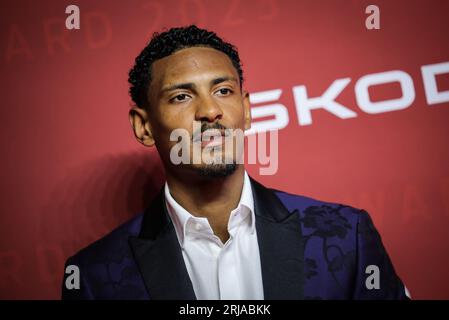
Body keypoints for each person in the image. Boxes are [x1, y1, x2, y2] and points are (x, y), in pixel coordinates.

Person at [61, 25, 408, 300]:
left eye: (223, 91)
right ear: (144, 126)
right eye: (181, 96)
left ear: (247, 109)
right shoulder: (93, 277)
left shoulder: (348, 235)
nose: (210, 111)